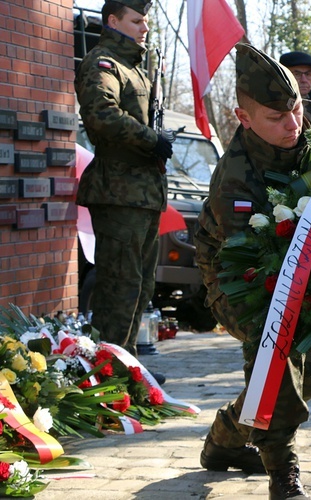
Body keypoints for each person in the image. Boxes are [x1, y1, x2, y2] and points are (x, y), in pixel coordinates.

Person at [194, 43, 311, 500]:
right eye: (277, 117)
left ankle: (224, 438)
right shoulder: (235, 177)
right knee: (273, 345)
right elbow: (254, 273)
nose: (294, 125)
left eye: (295, 109)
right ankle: (283, 473)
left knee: (309, 375)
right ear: (244, 116)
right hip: (240, 272)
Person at [74, 0, 173, 382]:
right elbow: (102, 114)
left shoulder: (135, 68)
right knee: (119, 286)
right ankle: (107, 376)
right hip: (118, 194)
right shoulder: (104, 63)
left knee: (141, 285)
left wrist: (157, 141)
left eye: (145, 20)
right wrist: (152, 139)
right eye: (136, 20)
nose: (144, 26)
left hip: (143, 193)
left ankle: (127, 367)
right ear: (113, 21)